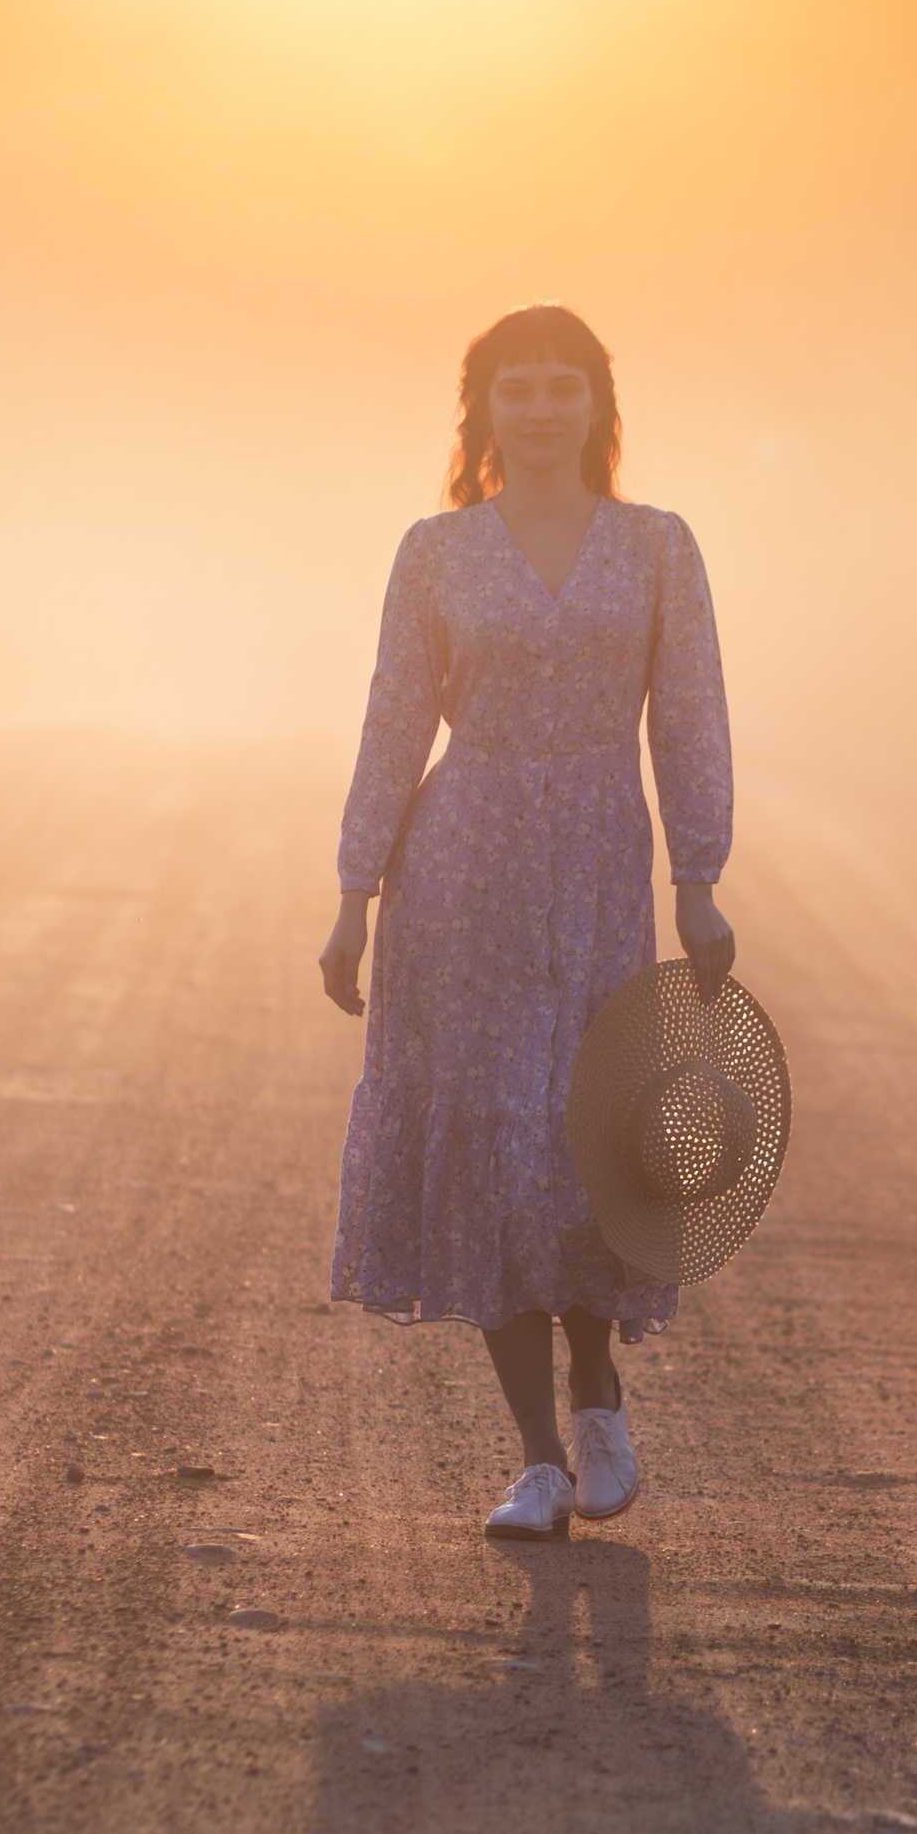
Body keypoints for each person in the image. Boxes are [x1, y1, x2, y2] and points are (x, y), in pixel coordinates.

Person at [320, 304, 735, 1535]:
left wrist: (699, 877)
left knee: (585, 1142)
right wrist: (353, 890)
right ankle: (538, 1459)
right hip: (462, 871)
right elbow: (394, 718)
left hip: (602, 861)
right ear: (485, 411)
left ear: (598, 406)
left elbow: (692, 714)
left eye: (564, 386)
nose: (541, 408)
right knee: (488, 1137)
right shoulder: (436, 551)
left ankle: (600, 1390)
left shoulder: (657, 546)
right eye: (518, 389)